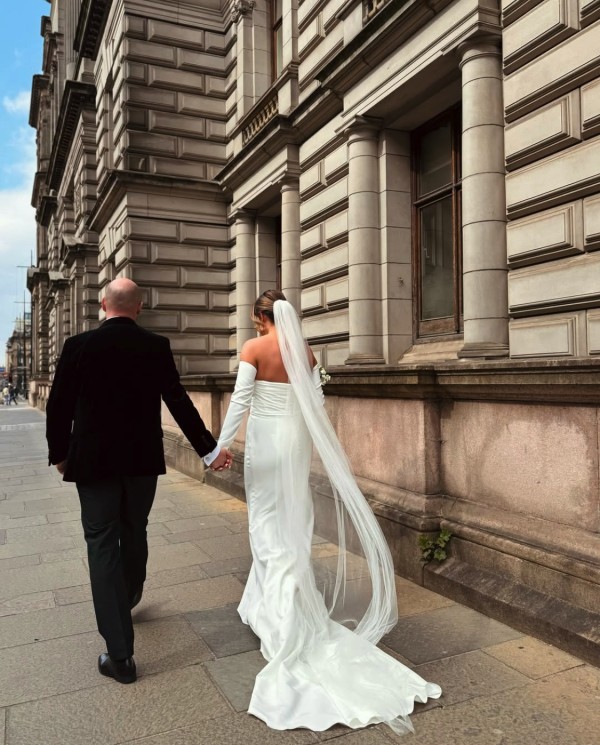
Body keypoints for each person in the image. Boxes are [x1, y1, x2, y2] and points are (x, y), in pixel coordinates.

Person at [216, 289, 441, 735]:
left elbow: (241, 400)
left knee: (265, 521)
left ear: (264, 315)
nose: (256, 324)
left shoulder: (254, 348)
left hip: (265, 441)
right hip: (295, 441)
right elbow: (316, 405)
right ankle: (271, 601)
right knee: (292, 522)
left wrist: (220, 445)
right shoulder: (305, 350)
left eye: (256, 318)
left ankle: (278, 614)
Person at [46, 278, 232, 685]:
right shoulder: (155, 346)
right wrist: (209, 448)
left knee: (100, 541)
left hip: (93, 463)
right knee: (135, 528)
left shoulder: (78, 346)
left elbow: (58, 405)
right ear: (140, 307)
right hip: (141, 462)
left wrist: (60, 453)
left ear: (102, 305)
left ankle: (120, 655)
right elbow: (178, 400)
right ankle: (129, 593)